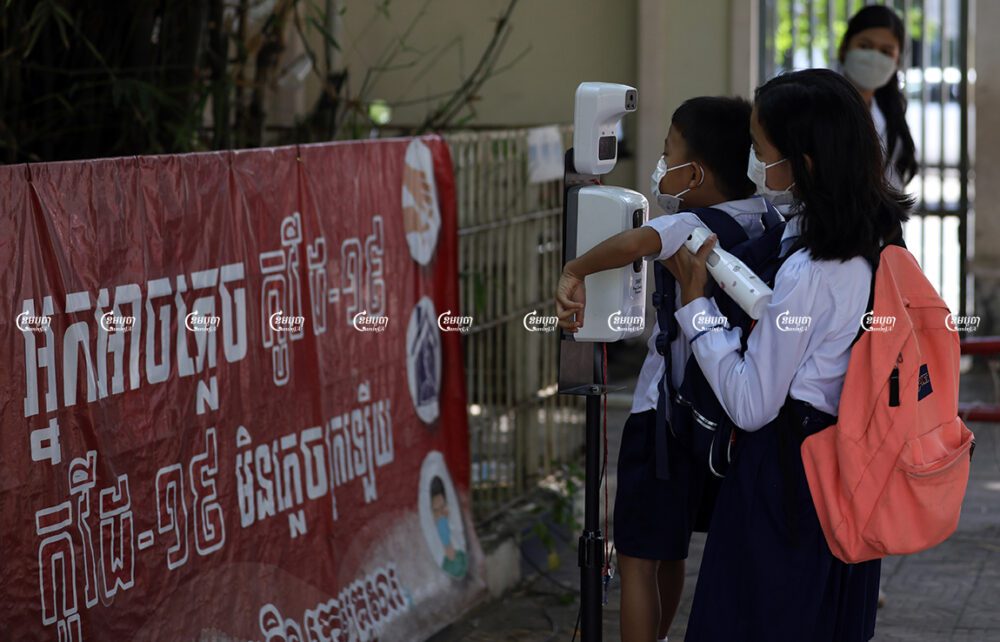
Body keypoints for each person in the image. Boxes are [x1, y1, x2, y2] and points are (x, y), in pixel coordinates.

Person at [663, 69, 911, 641]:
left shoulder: (812, 269)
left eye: (759, 148)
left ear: (806, 161)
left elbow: (752, 402)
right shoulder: (878, 240)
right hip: (848, 468)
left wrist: (696, 306)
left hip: (788, 480)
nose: (751, 161)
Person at [556, 96, 765, 642]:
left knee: (637, 561)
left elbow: (638, 240)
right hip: (718, 416)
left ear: (693, 172)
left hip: (661, 420)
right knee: (671, 555)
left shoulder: (694, 224)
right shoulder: (764, 219)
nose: (659, 163)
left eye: (667, 151)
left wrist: (575, 270)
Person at [839, 4, 918, 190]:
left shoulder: (891, 118)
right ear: (844, 48)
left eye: (885, 52)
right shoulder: (816, 104)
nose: (874, 57)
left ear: (896, 61)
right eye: (865, 46)